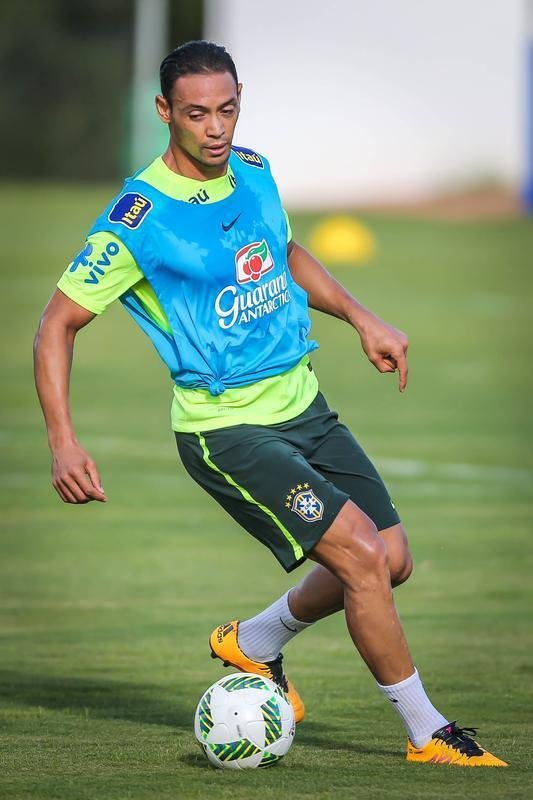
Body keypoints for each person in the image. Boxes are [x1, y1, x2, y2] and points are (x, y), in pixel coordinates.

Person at [33, 40, 506, 767]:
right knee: (361, 558)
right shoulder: (136, 219)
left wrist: (362, 318)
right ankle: (428, 733)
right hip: (226, 428)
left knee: (392, 558)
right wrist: (64, 441)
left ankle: (253, 642)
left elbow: (285, 254)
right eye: (197, 113)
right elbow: (56, 324)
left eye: (227, 109)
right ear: (164, 112)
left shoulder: (253, 169)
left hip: (303, 405)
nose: (216, 127)